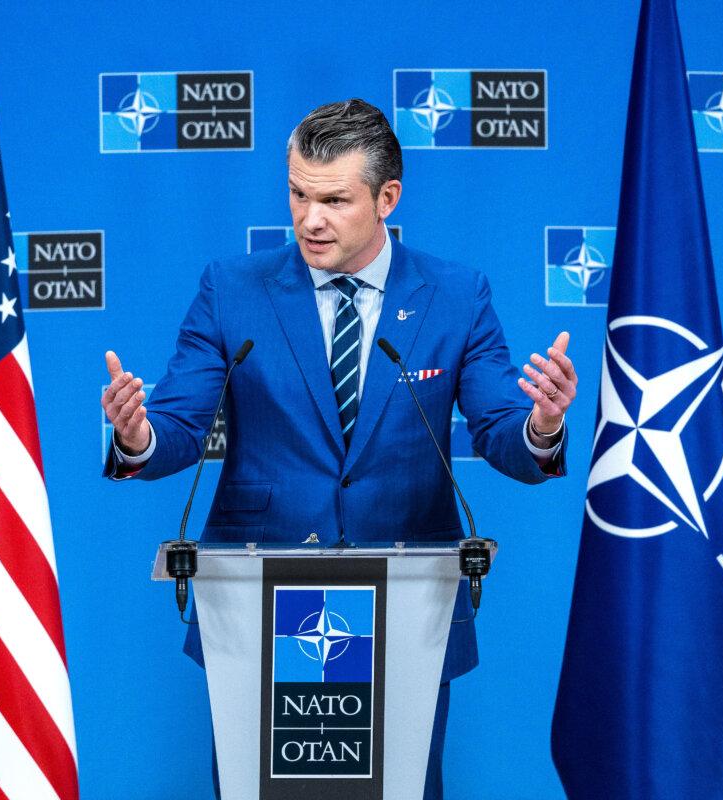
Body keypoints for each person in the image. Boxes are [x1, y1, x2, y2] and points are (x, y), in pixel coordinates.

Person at [101, 99, 578, 799]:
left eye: (333, 200)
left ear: (388, 197)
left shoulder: (455, 295)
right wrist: (137, 434)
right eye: (297, 194)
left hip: (408, 610)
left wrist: (540, 426)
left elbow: (501, 429)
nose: (309, 219)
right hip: (260, 609)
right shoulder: (231, 289)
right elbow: (175, 424)